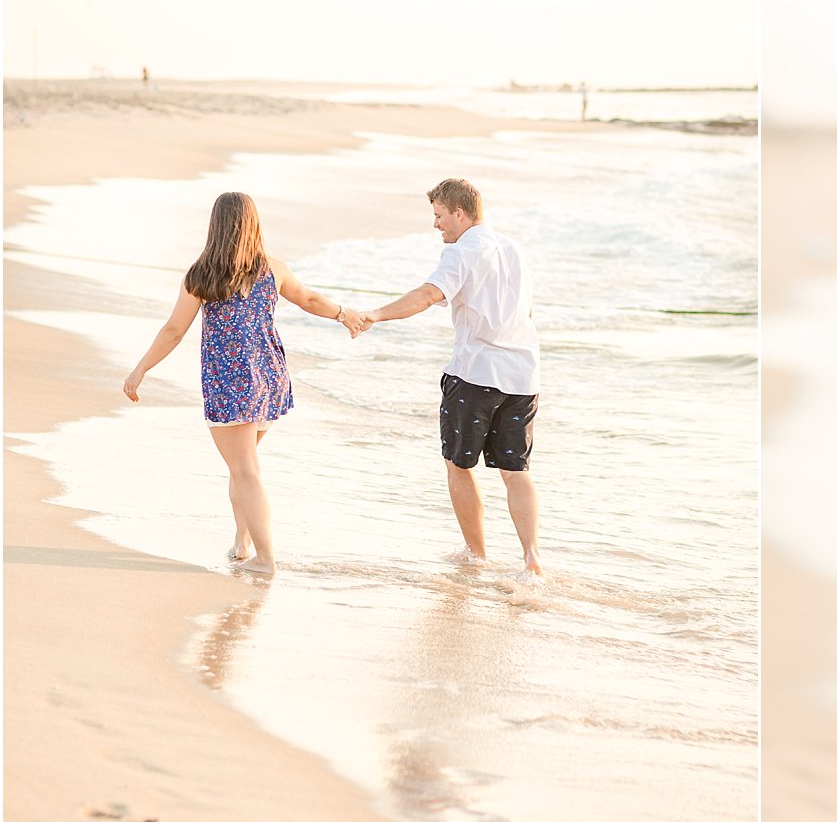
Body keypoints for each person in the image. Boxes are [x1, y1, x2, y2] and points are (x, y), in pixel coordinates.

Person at [123, 192, 363, 575]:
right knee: (242, 466)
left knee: (245, 470)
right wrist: (343, 315)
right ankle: (242, 542)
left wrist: (140, 369)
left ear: (215, 225)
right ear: (253, 224)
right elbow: (309, 299)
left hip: (230, 383)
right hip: (270, 377)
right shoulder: (273, 268)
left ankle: (266, 559)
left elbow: (173, 331)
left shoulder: (202, 275)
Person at [356, 178, 543, 574]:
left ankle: (477, 556)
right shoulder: (515, 250)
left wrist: (375, 315)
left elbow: (426, 296)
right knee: (516, 472)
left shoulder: (461, 253)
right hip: (524, 377)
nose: (436, 225)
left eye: (439, 216)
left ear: (460, 213)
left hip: (476, 375)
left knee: (459, 466)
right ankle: (532, 560)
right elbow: (527, 312)